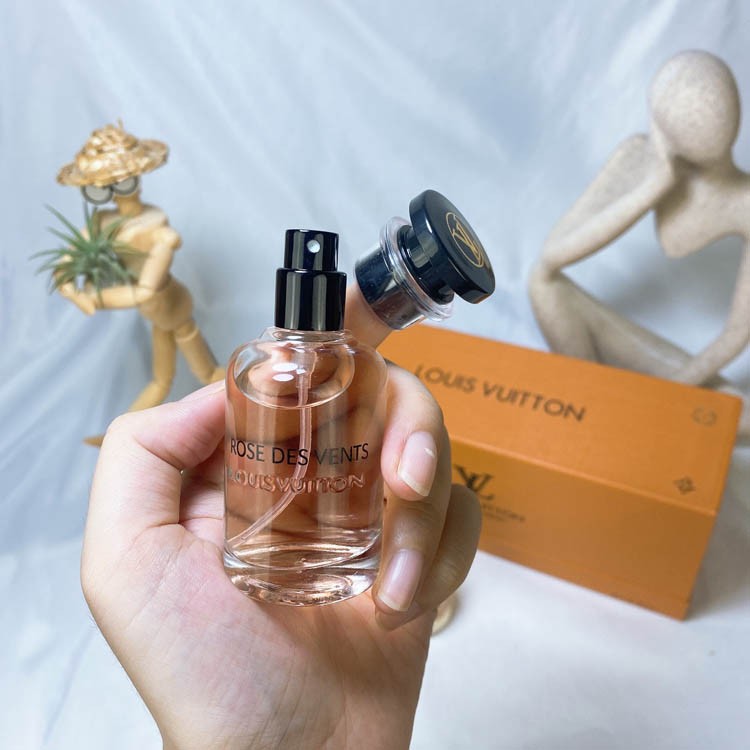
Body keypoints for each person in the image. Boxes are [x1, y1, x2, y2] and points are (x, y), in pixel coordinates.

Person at [81, 284, 482, 750]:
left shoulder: (351, 367)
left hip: (349, 584)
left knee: (374, 403)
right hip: (255, 573)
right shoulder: (253, 366)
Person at [528, 50, 750, 438]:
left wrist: (664, 392)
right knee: (542, 285)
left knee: (744, 418)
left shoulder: (745, 201)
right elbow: (550, 260)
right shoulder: (638, 157)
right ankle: (592, 410)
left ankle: (605, 411)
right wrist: (652, 187)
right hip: (603, 342)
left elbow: (737, 333)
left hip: (668, 372)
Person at [56, 123, 225, 444]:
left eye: (121, 183)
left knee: (205, 374)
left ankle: (247, 412)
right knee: (161, 380)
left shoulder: (157, 226)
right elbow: (68, 260)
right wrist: (70, 287)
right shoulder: (103, 222)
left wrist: (96, 298)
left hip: (170, 303)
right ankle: (119, 434)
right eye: (102, 188)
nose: (115, 192)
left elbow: (147, 289)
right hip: (155, 310)